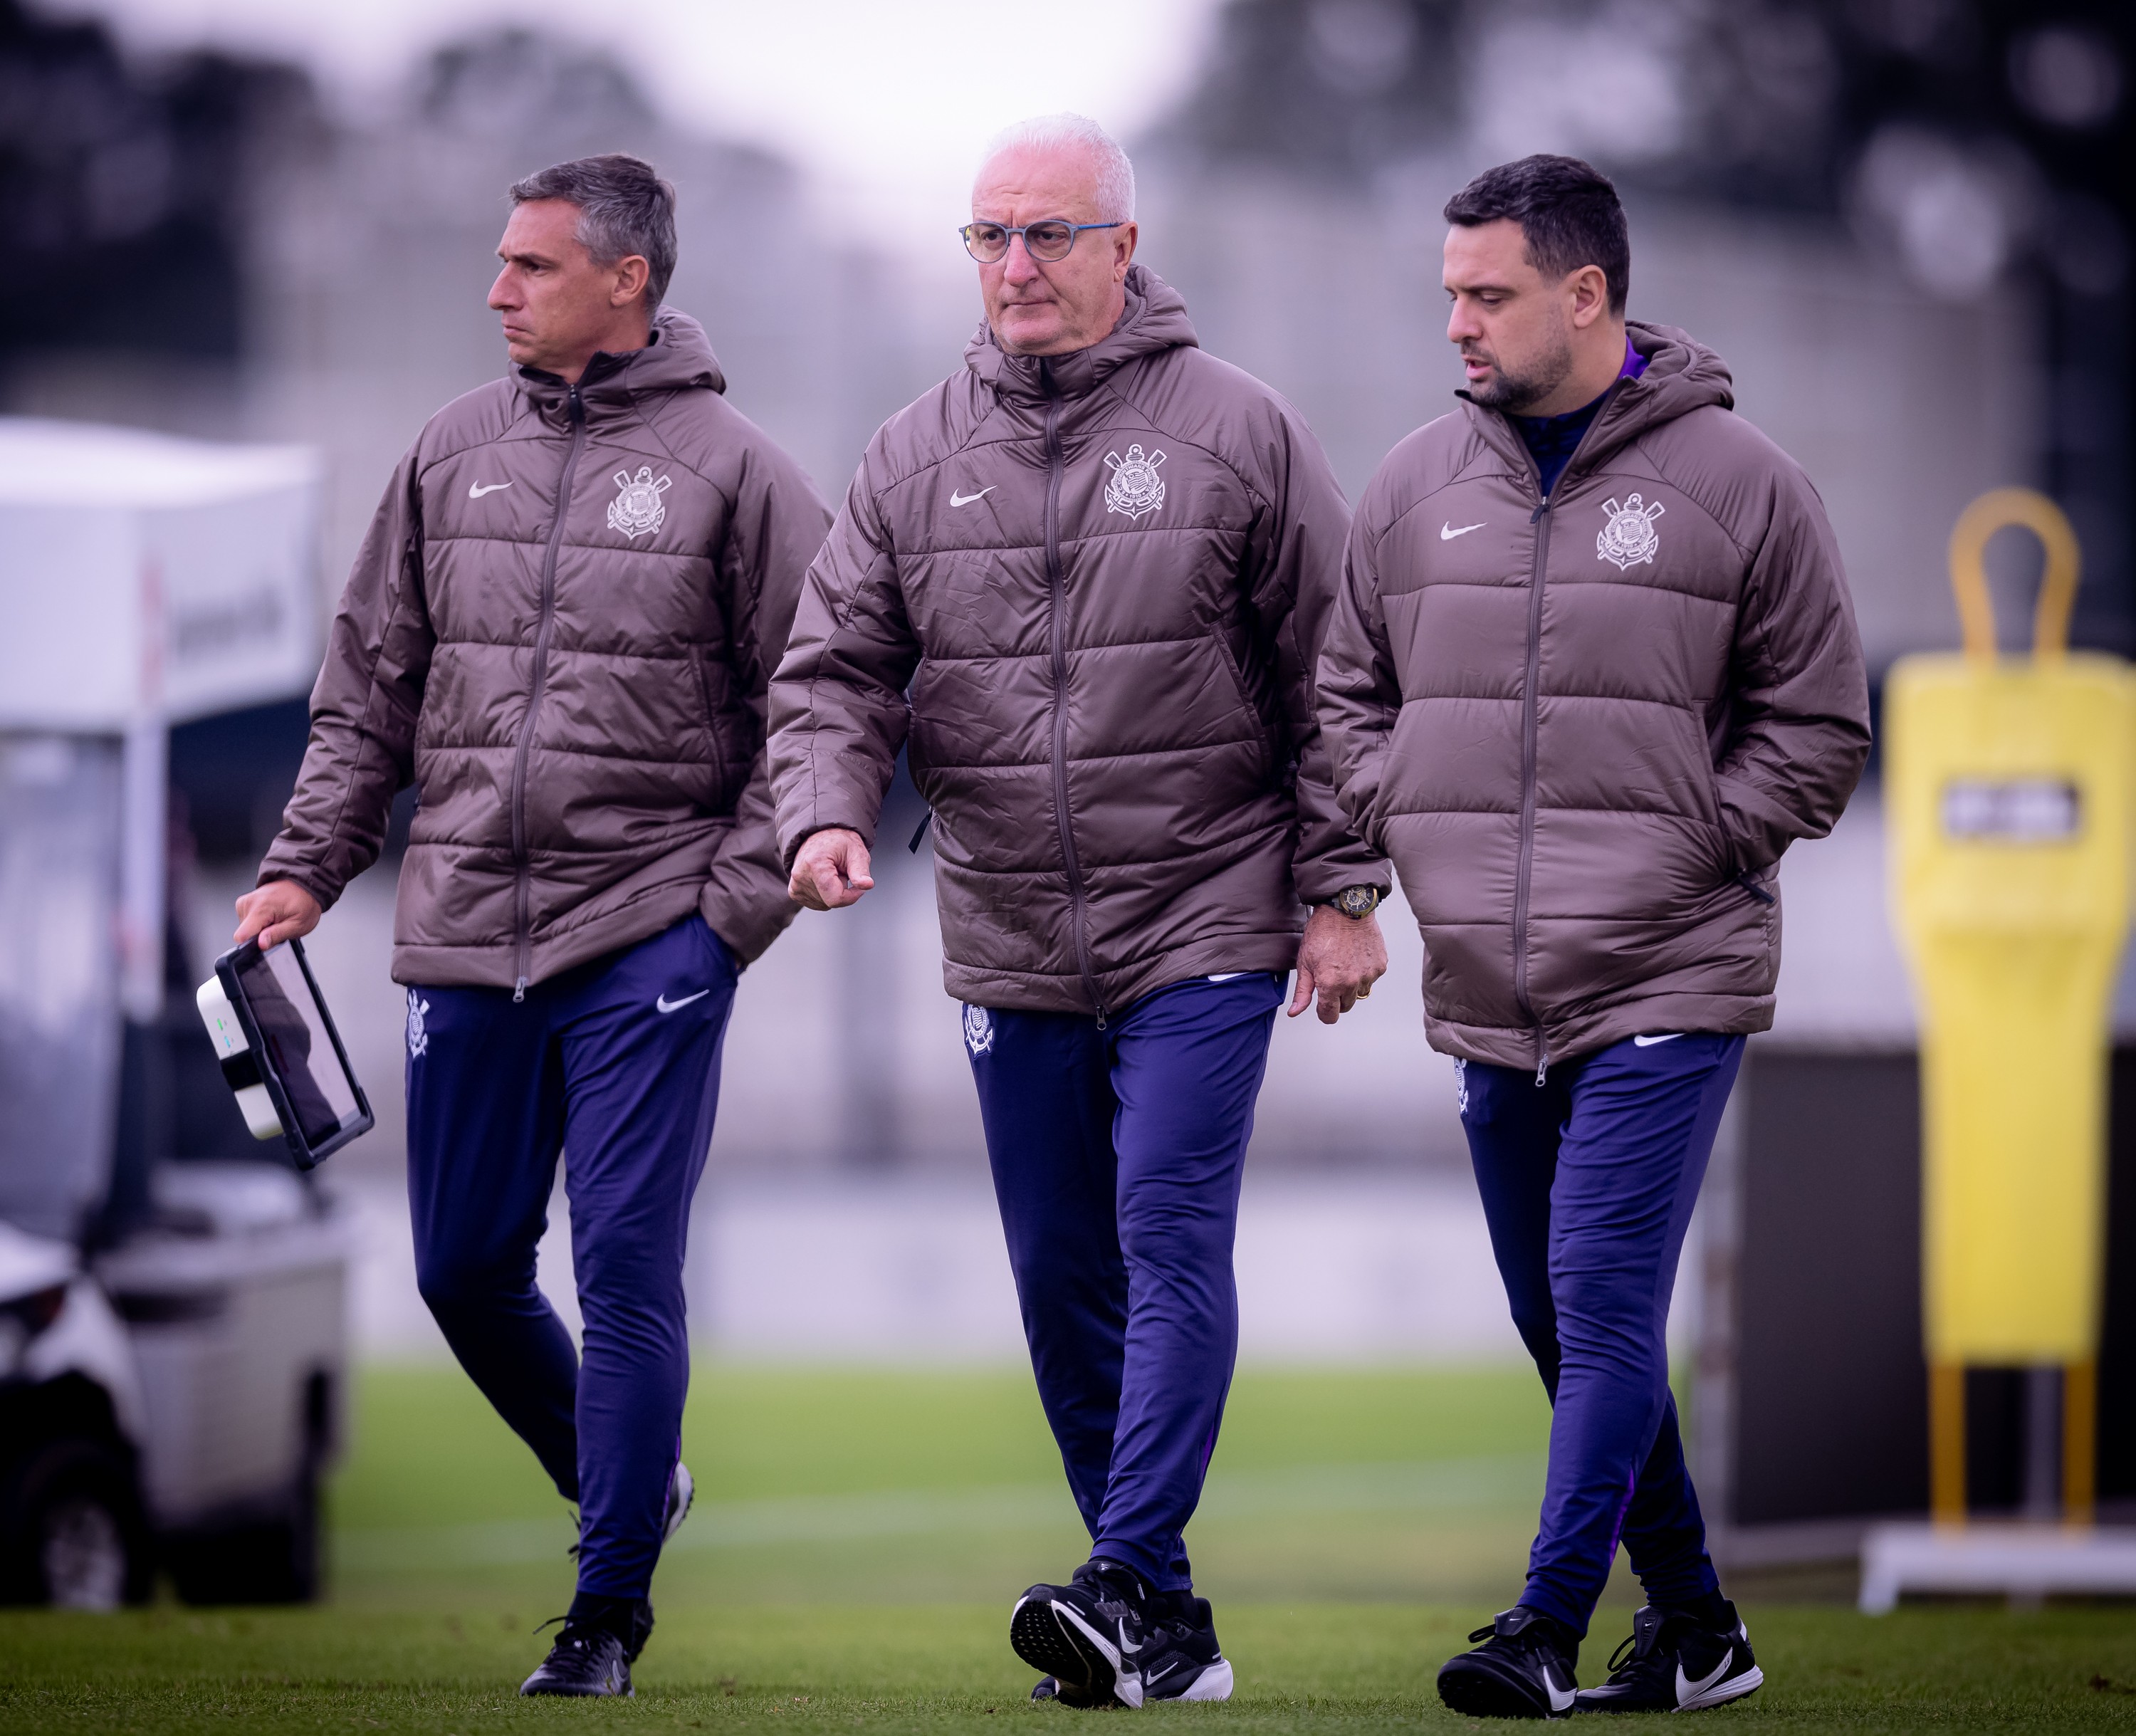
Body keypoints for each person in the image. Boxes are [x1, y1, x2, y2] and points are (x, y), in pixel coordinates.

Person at [767, 113, 1388, 1709]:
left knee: (1167, 1231)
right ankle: (1161, 1621)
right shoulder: (910, 453)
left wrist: (1339, 891)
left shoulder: (1240, 430)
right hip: (1009, 934)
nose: (1017, 266)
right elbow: (833, 666)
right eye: (990, 236)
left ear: (1126, 245)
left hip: (1207, 915)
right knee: (1058, 1267)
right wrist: (827, 810)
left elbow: (1342, 675)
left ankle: (1121, 1572)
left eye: (1049, 234)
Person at [236, 152, 829, 1697]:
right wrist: (311, 862)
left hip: (650, 936)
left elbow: (827, 709)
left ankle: (603, 1614)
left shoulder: (741, 469)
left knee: (625, 1264)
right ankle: (634, 1485)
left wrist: (724, 920)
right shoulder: (449, 451)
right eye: (500, 264)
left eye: (531, 266)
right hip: (460, 930)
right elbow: (369, 683)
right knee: (460, 1269)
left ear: (627, 280)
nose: (496, 290)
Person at [1318, 155, 1870, 1717]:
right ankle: (1696, 1625)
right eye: (1449, 294)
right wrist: (1404, 809)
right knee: (1557, 1318)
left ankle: (1546, 1623)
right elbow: (1345, 691)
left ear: (1587, 294)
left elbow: (1820, 728)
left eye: (1487, 295)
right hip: (1491, 989)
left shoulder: (1744, 483)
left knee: (1604, 1295)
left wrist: (1692, 845)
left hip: (1668, 972)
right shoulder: (1417, 483)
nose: (1460, 325)